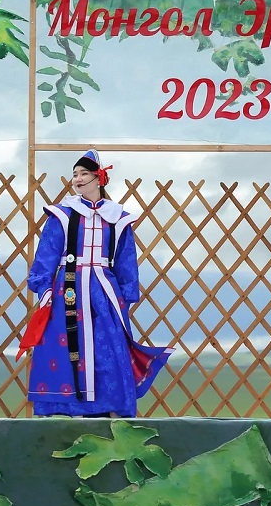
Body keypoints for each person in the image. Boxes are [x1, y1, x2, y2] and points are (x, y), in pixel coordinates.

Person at [24, 150, 172, 417]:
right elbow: (46, 253)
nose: (78, 179)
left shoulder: (118, 218)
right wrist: (44, 287)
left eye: (84, 174)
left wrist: (125, 294)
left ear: (99, 178)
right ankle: (66, 408)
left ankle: (107, 406)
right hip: (68, 289)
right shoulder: (62, 215)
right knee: (68, 346)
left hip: (103, 291)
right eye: (75, 175)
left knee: (108, 348)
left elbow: (126, 258)